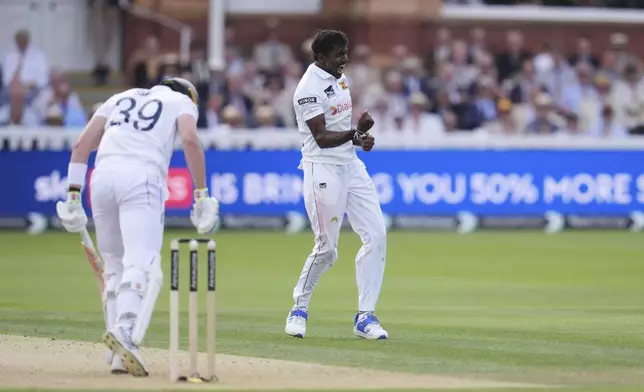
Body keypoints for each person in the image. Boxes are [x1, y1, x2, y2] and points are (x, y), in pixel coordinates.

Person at [55, 77, 220, 376]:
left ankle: (117, 351)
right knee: (141, 261)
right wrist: (201, 195)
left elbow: (81, 145)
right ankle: (126, 332)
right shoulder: (181, 102)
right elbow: (191, 140)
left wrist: (72, 196)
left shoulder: (120, 97)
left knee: (114, 266)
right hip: (142, 177)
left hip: (102, 178)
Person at [286, 30, 388, 340]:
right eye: (338, 54)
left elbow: (340, 129)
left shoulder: (339, 77)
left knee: (377, 235)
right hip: (323, 168)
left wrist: (358, 137)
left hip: (350, 166)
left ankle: (365, 316)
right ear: (319, 57)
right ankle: (299, 309)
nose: (345, 59)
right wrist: (356, 133)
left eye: (345, 52)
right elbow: (321, 137)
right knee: (327, 248)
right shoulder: (307, 89)